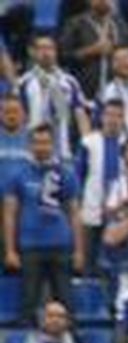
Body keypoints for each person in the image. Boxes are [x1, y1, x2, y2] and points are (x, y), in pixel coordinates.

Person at [4, 124, 84, 314]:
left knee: (66, 304)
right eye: (37, 142)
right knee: (28, 303)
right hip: (30, 246)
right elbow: (9, 214)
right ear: (30, 145)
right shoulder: (18, 174)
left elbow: (74, 213)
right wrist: (10, 250)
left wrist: (79, 250)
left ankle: (68, 342)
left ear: (53, 145)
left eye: (46, 142)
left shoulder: (66, 173)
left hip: (61, 245)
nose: (42, 147)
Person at [17, 36, 90, 161]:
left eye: (50, 48)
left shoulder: (69, 81)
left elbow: (80, 115)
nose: (46, 53)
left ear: (56, 52)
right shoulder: (24, 82)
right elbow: (20, 118)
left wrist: (87, 143)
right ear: (33, 52)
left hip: (63, 150)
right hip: (33, 152)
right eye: (41, 48)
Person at [75, 96, 124, 275]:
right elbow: (78, 176)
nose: (113, 120)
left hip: (119, 214)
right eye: (109, 115)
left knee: (115, 263)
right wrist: (79, 205)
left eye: (118, 116)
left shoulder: (127, 144)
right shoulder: (89, 143)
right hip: (91, 209)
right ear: (101, 117)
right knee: (90, 260)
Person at [60, 0, 128, 102]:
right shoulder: (76, 24)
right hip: (84, 93)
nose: (103, 1)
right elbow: (63, 57)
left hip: (116, 95)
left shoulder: (121, 25)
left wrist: (115, 51)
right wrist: (91, 50)